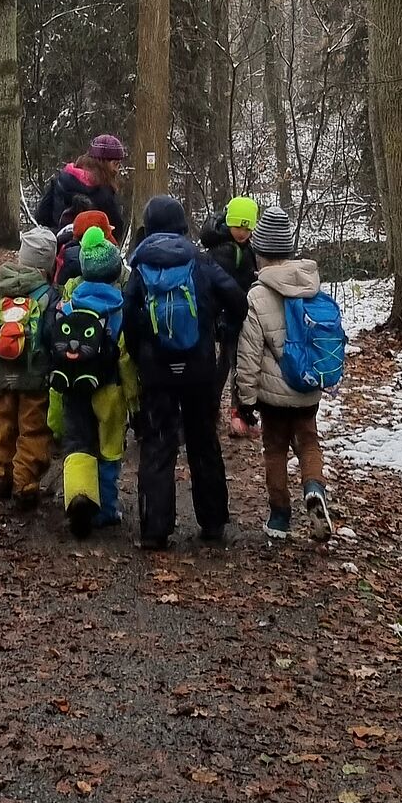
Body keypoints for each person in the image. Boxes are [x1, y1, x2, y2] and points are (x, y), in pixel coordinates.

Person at [122, 193, 245, 550]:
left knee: (158, 442)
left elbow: (128, 318)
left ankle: (155, 531)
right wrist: (220, 328)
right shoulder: (201, 263)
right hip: (199, 366)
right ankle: (212, 523)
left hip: (157, 370)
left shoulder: (140, 268)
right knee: (203, 440)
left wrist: (140, 354)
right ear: (182, 225)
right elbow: (238, 300)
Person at [234, 204, 336, 541]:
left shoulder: (258, 295)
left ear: (259, 253)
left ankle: (279, 517)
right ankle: (314, 489)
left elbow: (248, 354)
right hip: (308, 386)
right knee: (309, 443)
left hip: (273, 396)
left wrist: (245, 400)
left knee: (275, 450)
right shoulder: (311, 286)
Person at [43, 226, 132, 538]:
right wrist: (134, 397)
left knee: (77, 443)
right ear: (114, 274)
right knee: (109, 448)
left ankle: (80, 497)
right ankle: (106, 509)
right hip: (108, 389)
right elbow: (124, 358)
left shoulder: (68, 304)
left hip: (73, 385)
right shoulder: (120, 309)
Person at [0, 228, 56, 512]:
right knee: (33, 429)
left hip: (1, 372)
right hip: (35, 376)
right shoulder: (48, 296)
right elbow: (53, 336)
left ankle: (2, 476)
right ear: (49, 264)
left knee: (4, 424)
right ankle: (25, 485)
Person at [198, 195, 260, 436]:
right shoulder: (220, 250)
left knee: (238, 365)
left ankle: (238, 413)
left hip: (240, 315)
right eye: (238, 226)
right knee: (221, 366)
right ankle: (211, 411)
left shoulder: (248, 250)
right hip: (221, 316)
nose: (242, 232)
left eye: (247, 227)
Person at [34, 134, 128, 240]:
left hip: (58, 248)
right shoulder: (104, 193)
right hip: (90, 252)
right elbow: (116, 230)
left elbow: (41, 217)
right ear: (102, 163)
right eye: (115, 164)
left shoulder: (60, 181)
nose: (117, 170)